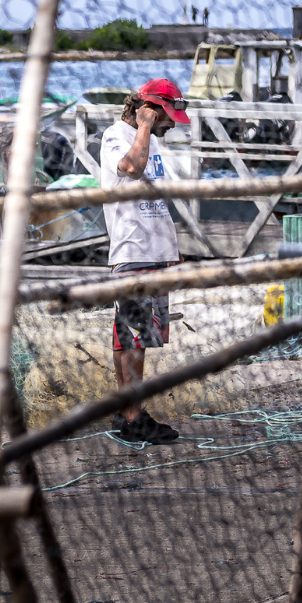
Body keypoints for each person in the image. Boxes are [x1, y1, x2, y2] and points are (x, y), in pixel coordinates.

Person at [97, 78, 190, 444]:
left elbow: (154, 198)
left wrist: (171, 249)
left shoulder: (149, 142)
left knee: (133, 336)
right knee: (133, 337)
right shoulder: (118, 136)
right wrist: (146, 126)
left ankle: (127, 410)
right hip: (133, 250)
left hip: (154, 252)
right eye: (165, 116)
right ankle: (135, 416)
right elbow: (131, 169)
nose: (169, 125)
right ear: (148, 109)